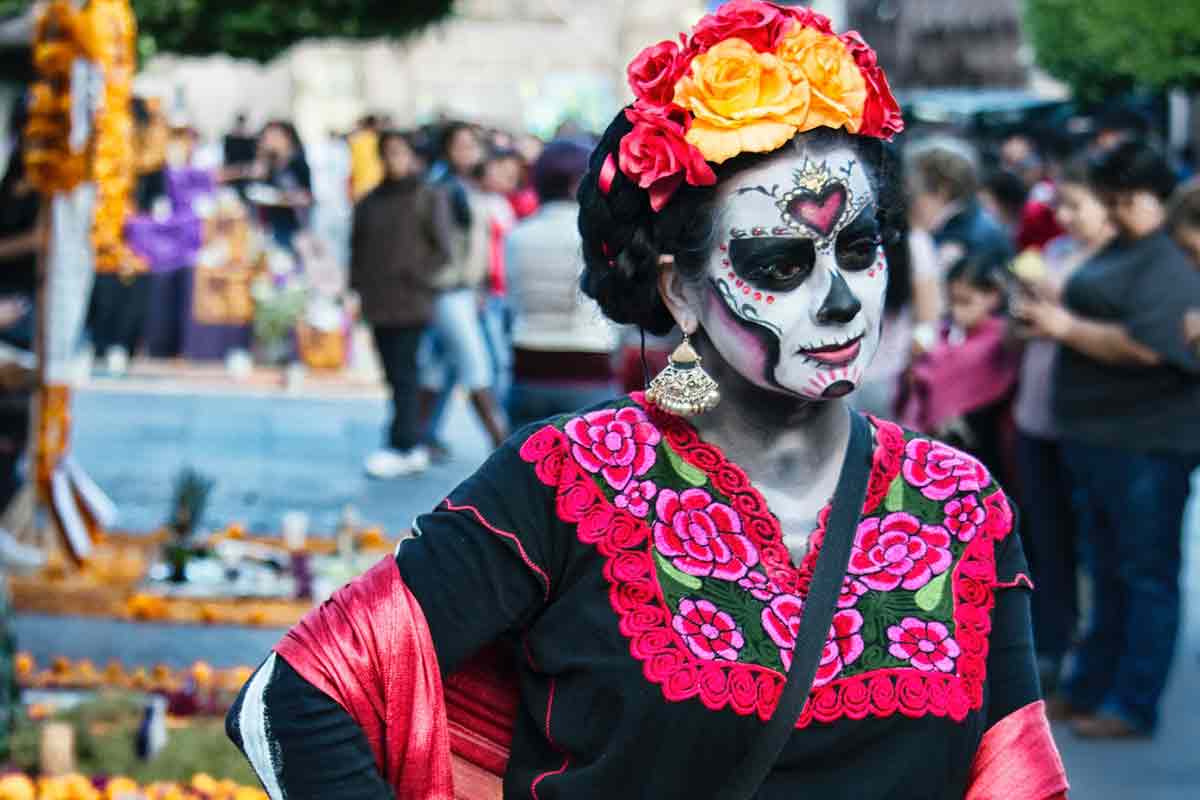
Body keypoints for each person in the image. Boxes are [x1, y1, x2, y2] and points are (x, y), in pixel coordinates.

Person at [228, 5, 1067, 797]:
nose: (842, 299)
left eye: (858, 247)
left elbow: (1012, 773)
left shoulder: (958, 501)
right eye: (780, 263)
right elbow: (295, 701)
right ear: (680, 293)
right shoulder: (575, 478)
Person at [1015, 140, 1200, 738]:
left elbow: (1149, 345)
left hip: (1145, 442)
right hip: (1098, 437)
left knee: (1144, 575)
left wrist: (1066, 327)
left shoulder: (1165, 259)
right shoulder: (1129, 246)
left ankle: (1131, 702)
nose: (1113, 211)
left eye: (1120, 200)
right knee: (1109, 569)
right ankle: (1092, 685)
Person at [1009, 157, 1114, 697]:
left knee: (1093, 549)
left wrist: (1059, 315)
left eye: (1077, 206)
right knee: (1044, 541)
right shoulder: (1054, 252)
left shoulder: (1120, 265)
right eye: (1062, 205)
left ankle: (1087, 656)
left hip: (1089, 425)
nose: (1065, 216)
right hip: (1035, 414)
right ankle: (1048, 650)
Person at [350, 131, 453, 479]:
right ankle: (405, 440)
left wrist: (416, 276)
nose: (394, 160)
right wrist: (357, 291)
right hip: (378, 301)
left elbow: (443, 250)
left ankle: (405, 442)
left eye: (399, 153)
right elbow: (357, 252)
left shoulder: (427, 196)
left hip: (411, 302)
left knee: (406, 373)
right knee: (394, 375)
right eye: (388, 153)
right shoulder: (369, 202)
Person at [504, 139, 618, 428]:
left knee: (526, 467)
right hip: (588, 367)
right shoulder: (596, 236)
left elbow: (512, 300)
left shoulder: (517, 235)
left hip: (528, 366)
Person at [417, 124, 509, 451]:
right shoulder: (443, 188)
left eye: (473, 145)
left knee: (435, 368)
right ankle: (501, 443)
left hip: (466, 291)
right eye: (460, 146)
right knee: (476, 366)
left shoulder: (469, 186)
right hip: (448, 290)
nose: (467, 152)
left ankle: (415, 437)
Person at [897, 253, 1019, 481]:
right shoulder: (943, 334)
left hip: (986, 439)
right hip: (943, 444)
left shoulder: (1000, 337)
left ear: (993, 297)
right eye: (952, 301)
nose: (956, 310)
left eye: (965, 301)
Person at [906, 137, 1013, 353]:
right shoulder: (969, 226)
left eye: (915, 189)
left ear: (942, 189)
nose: (909, 197)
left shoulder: (970, 235)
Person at [254, 121, 313, 250]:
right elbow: (259, 189)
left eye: (273, 137)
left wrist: (280, 197)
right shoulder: (272, 162)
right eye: (266, 137)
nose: (268, 141)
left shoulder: (297, 161)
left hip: (294, 229)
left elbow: (308, 197)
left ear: (287, 138)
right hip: (274, 227)